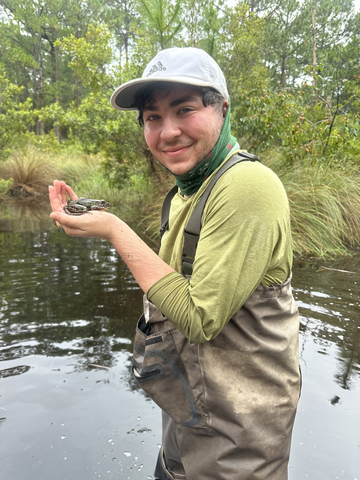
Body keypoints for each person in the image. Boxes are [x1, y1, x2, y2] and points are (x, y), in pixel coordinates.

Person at [49, 47, 301, 480]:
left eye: (184, 109)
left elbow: (200, 318)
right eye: (152, 118)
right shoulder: (187, 190)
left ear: (222, 108)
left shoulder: (247, 185)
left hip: (241, 432)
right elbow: (169, 288)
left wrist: (114, 229)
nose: (167, 132)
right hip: (191, 407)